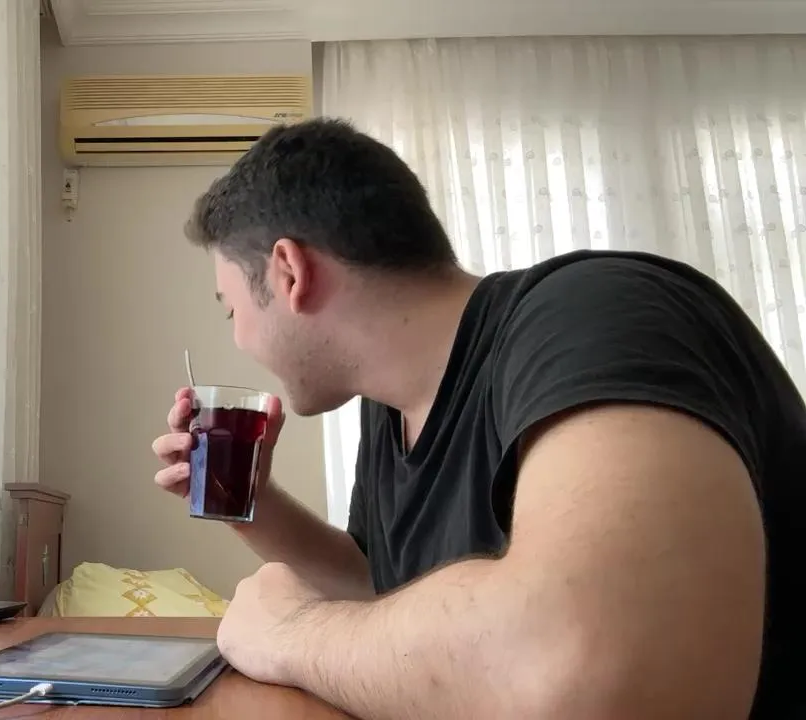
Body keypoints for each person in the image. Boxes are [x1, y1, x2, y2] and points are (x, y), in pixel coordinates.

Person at [150, 117, 806, 719]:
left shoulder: (594, 315)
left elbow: (599, 670)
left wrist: (291, 635)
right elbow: (384, 592)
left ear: (289, 273)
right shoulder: (388, 409)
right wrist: (253, 503)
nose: (237, 337)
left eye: (230, 308)